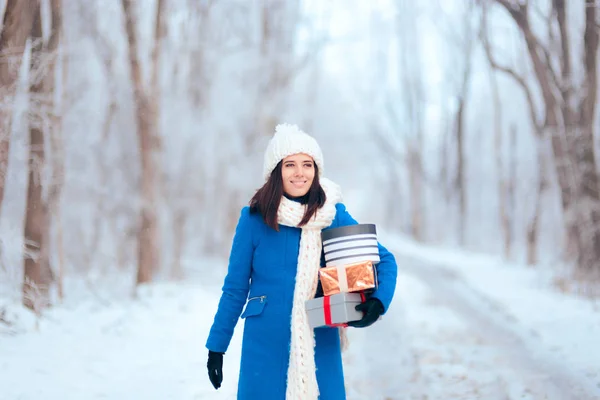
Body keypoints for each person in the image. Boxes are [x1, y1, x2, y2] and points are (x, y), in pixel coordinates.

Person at [205, 123, 398, 400]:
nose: (299, 173)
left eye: (307, 165)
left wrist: (377, 302)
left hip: (319, 339)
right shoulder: (254, 219)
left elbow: (385, 260)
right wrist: (217, 347)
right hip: (265, 343)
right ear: (276, 172)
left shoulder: (332, 216)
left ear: (316, 170)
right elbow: (235, 288)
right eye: (290, 165)